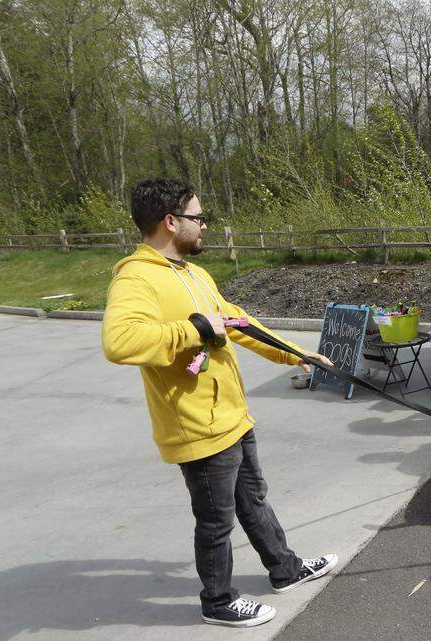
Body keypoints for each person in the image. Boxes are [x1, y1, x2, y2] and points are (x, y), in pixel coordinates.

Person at [102, 178, 337, 628]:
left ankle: (285, 571)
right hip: (197, 427)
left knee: (254, 501)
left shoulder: (195, 274)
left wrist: (296, 353)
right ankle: (218, 601)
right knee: (215, 522)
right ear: (171, 222)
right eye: (198, 217)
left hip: (231, 416)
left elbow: (238, 321)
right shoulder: (136, 276)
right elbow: (120, 341)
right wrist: (194, 329)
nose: (205, 225)